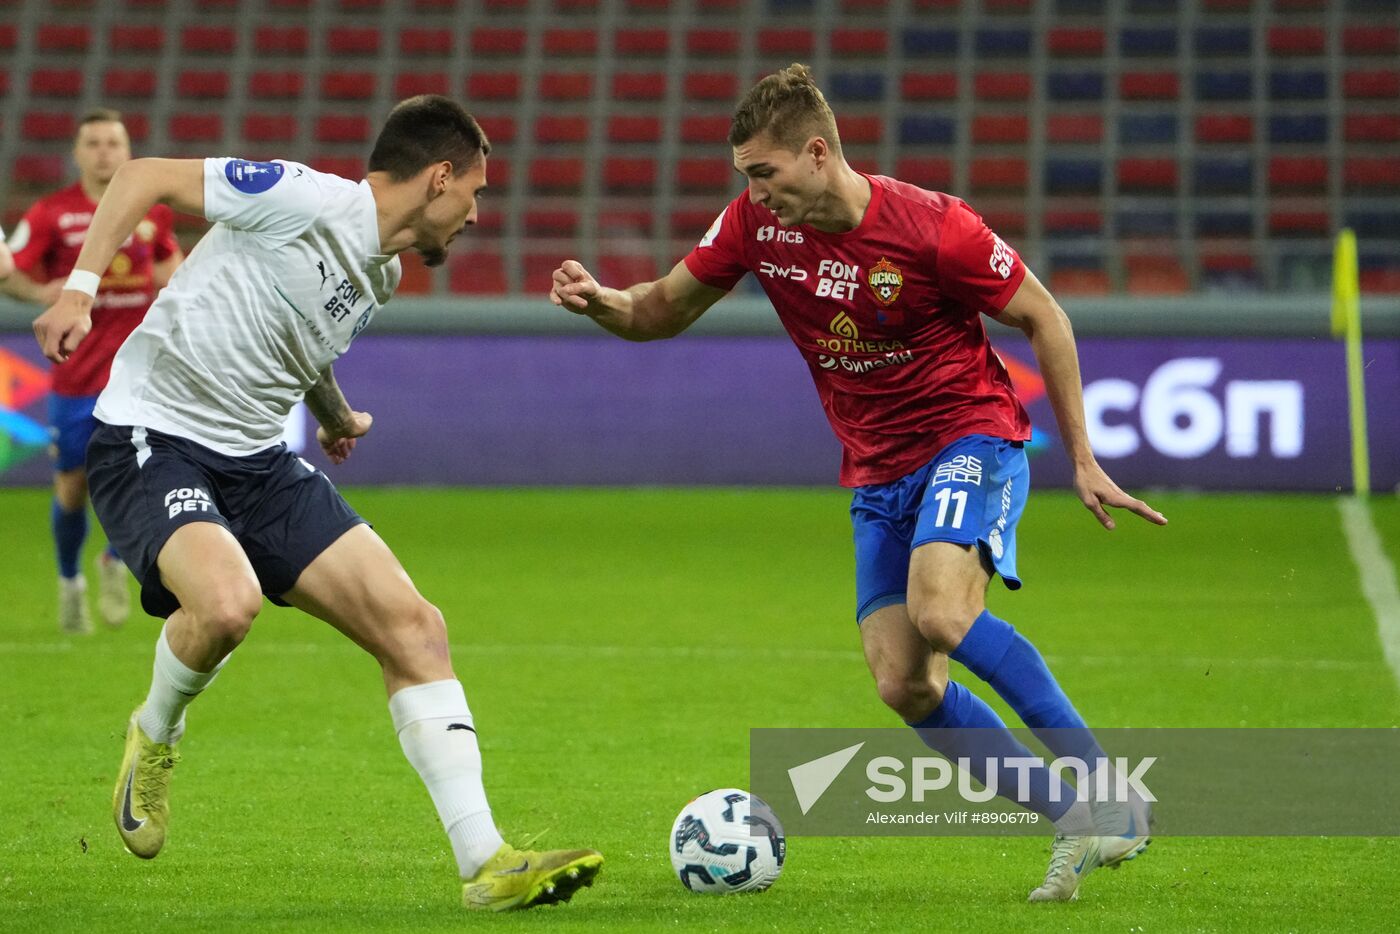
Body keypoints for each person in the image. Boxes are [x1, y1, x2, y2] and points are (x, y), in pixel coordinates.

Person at [551, 64, 1166, 902]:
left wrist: (1084, 459)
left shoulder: (934, 228)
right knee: (902, 684)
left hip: (969, 436)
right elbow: (659, 307)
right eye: (745, 178)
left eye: (764, 173)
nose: (754, 192)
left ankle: (1111, 795)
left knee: (943, 613)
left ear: (815, 153)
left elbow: (1043, 316)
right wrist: (600, 303)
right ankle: (1071, 818)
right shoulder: (753, 228)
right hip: (877, 470)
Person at [32, 95, 602, 912]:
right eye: (475, 192)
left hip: (258, 461)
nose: (477, 214)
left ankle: (487, 861)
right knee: (226, 607)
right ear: (439, 178)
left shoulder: (384, 273)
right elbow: (144, 175)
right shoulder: (300, 197)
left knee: (415, 628)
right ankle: (155, 733)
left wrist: (333, 413)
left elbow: (297, 338)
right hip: (154, 437)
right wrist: (81, 290)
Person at [3, 109, 183, 634]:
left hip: (142, 374)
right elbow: (11, 269)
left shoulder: (152, 214)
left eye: (113, 142)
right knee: (72, 486)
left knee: (147, 478)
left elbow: (171, 270)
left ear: (127, 150)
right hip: (76, 375)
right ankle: (69, 581)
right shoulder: (51, 214)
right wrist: (37, 293)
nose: (105, 151)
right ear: (78, 153)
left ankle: (115, 559)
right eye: (94, 143)